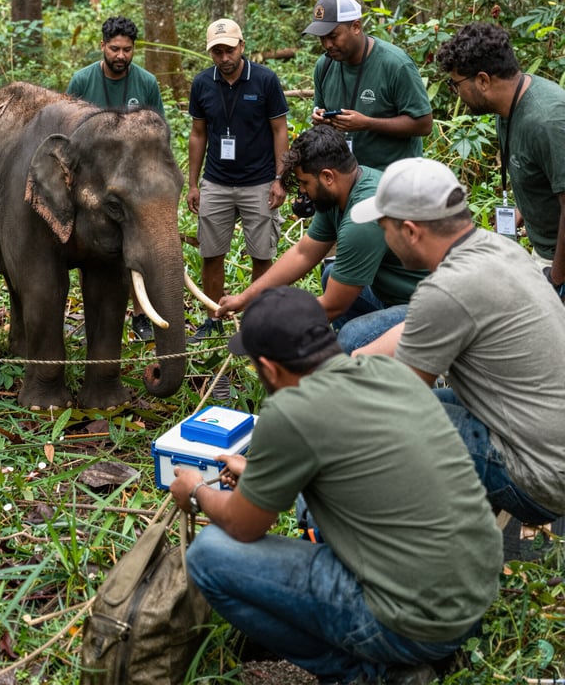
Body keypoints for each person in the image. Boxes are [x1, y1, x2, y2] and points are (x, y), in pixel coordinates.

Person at [171, 285, 502, 684]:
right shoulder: (387, 372)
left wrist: (194, 490)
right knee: (308, 508)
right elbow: (359, 467)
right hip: (474, 601)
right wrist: (260, 473)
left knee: (209, 555)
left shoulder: (292, 410)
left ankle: (367, 674)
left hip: (414, 625)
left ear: (271, 369)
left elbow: (244, 525)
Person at [350, 157, 565, 523]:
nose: (383, 237)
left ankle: (398, 539)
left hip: (540, 477)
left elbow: (400, 400)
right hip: (549, 439)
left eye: (384, 228)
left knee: (371, 424)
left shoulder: (446, 290)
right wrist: (358, 356)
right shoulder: (498, 249)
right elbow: (415, 330)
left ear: (411, 231)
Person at [216, 125, 426, 352]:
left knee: (351, 338)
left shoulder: (363, 218)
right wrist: (244, 299)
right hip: (395, 295)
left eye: (305, 183)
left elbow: (333, 305)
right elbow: (303, 253)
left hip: (429, 309)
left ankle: (359, 361)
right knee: (331, 274)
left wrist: (268, 329)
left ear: (327, 176)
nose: (303, 192)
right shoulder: (342, 188)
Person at [436, 22, 565, 296]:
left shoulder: (547, 120)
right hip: (545, 252)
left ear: (483, 80)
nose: (456, 92)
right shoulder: (507, 108)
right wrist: (522, 210)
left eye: (455, 84)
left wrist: (555, 279)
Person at [187, 18, 289, 342]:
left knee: (262, 254)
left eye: (229, 49)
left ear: (241, 46)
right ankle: (213, 319)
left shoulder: (264, 80)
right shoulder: (202, 84)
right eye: (216, 51)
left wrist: (280, 178)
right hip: (216, 182)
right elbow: (198, 133)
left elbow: (279, 129)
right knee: (211, 253)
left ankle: (256, 323)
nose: (224, 57)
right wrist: (193, 183)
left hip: (258, 182)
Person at [66, 15, 165, 340]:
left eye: (127, 49)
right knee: (88, 247)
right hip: (91, 183)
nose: (121, 56)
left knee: (139, 246)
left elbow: (157, 133)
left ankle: (140, 314)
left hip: (134, 183)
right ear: (102, 47)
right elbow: (66, 132)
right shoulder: (82, 82)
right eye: (114, 49)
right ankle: (92, 313)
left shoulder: (146, 82)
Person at [304, 0, 433, 171]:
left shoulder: (395, 64)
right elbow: (320, 110)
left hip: (395, 178)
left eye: (333, 36)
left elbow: (424, 124)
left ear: (356, 27)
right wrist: (319, 118)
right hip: (348, 180)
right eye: (322, 38)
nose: (327, 45)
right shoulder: (324, 65)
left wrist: (367, 123)